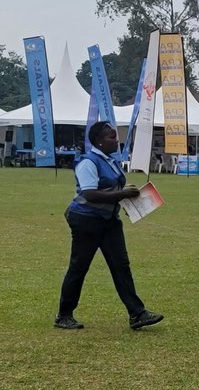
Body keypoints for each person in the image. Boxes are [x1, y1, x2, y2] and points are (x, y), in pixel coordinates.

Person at [55, 121, 163, 331]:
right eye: (111, 137)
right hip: (86, 221)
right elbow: (89, 193)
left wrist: (127, 195)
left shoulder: (110, 160)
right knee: (79, 267)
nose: (116, 141)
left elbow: (109, 188)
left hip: (109, 221)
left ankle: (137, 314)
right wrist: (122, 194)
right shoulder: (88, 162)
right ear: (99, 141)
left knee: (121, 266)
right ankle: (64, 315)